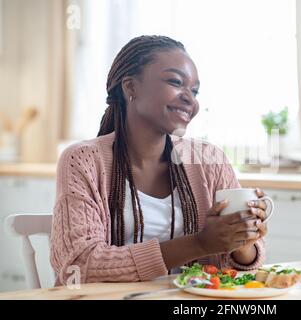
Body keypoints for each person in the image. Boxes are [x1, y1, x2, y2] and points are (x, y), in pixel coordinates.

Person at [50, 35, 268, 285]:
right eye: (176, 82)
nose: (190, 98)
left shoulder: (209, 160)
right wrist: (199, 243)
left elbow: (243, 264)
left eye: (194, 90)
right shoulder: (83, 160)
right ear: (130, 87)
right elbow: (78, 266)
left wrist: (243, 240)